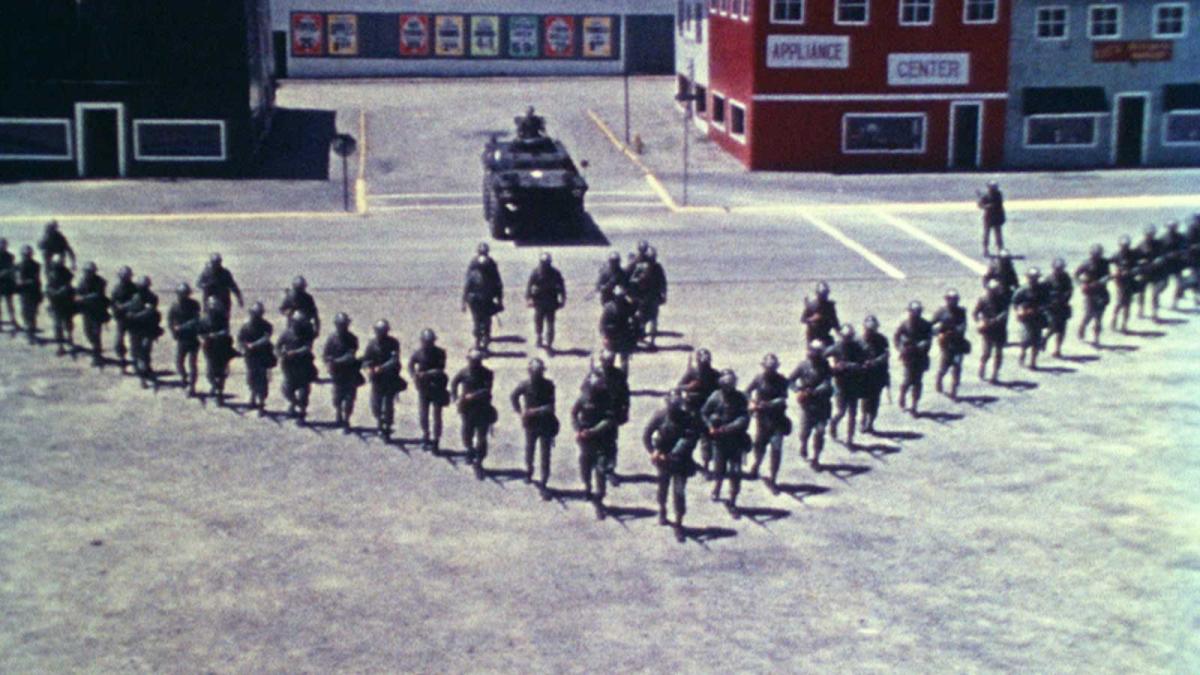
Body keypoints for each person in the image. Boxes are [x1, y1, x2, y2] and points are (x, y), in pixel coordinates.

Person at [643, 390, 701, 542]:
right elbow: (646, 435)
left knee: (679, 492)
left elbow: (690, 439)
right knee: (662, 488)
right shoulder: (660, 415)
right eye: (671, 404)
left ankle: (678, 523)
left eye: (677, 405)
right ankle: (662, 509)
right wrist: (653, 452)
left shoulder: (688, 418)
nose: (673, 408)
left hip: (681, 461)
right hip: (662, 461)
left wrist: (673, 454)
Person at [702, 369, 751, 517]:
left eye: (732, 384)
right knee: (719, 470)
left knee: (736, 472)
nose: (729, 388)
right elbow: (704, 413)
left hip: (736, 441)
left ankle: (732, 500)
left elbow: (744, 419)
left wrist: (727, 429)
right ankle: (717, 487)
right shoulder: (715, 397)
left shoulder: (741, 398)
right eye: (726, 385)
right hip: (719, 443)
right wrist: (710, 426)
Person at [510, 357, 558, 497]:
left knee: (545, 455)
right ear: (530, 372)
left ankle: (543, 482)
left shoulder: (549, 385)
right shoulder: (524, 385)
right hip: (530, 424)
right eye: (534, 372)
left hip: (545, 423)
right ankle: (529, 472)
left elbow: (550, 406)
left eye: (539, 372)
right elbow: (513, 397)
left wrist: (533, 411)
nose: (537, 375)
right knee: (529, 449)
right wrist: (520, 412)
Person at [745, 353, 791, 493]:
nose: (770, 370)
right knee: (759, 446)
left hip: (777, 420)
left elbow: (782, 398)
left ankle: (773, 478)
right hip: (762, 420)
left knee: (776, 449)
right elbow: (747, 392)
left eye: (773, 367)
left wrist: (768, 404)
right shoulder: (758, 379)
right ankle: (756, 465)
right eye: (768, 367)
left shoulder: (782, 380)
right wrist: (752, 403)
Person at [572, 370, 614, 519]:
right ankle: (587, 487)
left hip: (601, 439)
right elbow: (574, 414)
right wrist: (578, 429)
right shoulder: (583, 398)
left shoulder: (607, 398)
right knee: (585, 465)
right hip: (585, 440)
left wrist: (594, 431)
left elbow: (609, 420)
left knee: (601, 469)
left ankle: (599, 499)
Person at [451, 348, 496, 479]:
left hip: (482, 409)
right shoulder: (464, 372)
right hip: (467, 409)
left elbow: (487, 390)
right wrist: (455, 397)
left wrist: (473, 396)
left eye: (476, 361)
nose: (474, 363)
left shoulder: (487, 373)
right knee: (466, 433)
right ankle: (469, 450)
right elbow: (454, 383)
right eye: (472, 361)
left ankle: (479, 462)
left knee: (482, 437)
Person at [790, 340, 834, 470]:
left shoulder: (825, 366)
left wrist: (815, 391)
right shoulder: (803, 365)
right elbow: (790, 380)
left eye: (816, 353)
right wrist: (798, 390)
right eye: (812, 352)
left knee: (820, 432)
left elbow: (827, 383)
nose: (813, 355)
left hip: (822, 403)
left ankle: (816, 458)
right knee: (804, 431)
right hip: (807, 404)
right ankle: (803, 444)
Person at [677, 347, 720, 474]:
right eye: (702, 363)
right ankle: (686, 460)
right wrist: (689, 387)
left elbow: (720, 392)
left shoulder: (715, 375)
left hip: (707, 410)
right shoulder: (691, 373)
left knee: (707, 439)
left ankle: (706, 465)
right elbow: (678, 387)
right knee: (690, 437)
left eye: (706, 363)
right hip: (692, 409)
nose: (704, 365)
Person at [362, 320, 406, 439]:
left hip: (389, 378)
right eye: (379, 331)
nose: (381, 334)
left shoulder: (393, 343)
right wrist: (368, 369)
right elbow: (365, 360)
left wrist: (381, 368)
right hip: (377, 380)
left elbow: (394, 360)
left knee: (388, 405)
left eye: (383, 331)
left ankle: (386, 427)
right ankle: (379, 422)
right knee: (375, 405)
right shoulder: (372, 344)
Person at [593, 349, 630, 485]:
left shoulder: (619, 375)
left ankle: (609, 469)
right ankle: (597, 466)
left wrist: (625, 411)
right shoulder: (594, 374)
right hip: (596, 414)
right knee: (596, 442)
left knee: (611, 443)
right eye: (606, 362)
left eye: (611, 362)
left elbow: (625, 394)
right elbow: (585, 394)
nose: (608, 364)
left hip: (612, 414)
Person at [409, 328, 449, 451]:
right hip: (423, 389)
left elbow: (440, 370)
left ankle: (436, 440)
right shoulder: (418, 353)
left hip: (437, 388)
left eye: (430, 342)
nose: (428, 344)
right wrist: (414, 375)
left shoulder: (440, 353)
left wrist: (426, 374)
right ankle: (425, 435)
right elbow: (410, 365)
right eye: (426, 342)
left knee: (437, 416)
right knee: (423, 415)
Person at [826, 323, 866, 446]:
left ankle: (850, 438)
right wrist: (834, 368)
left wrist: (856, 366)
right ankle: (833, 424)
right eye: (845, 336)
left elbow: (864, 363)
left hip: (854, 383)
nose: (847, 339)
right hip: (841, 384)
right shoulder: (836, 347)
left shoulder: (857, 348)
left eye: (849, 337)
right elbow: (821, 358)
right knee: (841, 411)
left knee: (853, 413)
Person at [323, 312, 363, 432]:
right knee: (337, 398)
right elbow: (325, 354)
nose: (343, 327)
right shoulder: (331, 338)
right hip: (337, 374)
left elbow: (350, 356)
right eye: (341, 325)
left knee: (350, 399)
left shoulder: (352, 339)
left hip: (350, 373)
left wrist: (335, 361)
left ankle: (346, 420)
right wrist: (328, 362)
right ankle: (338, 414)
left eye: (345, 324)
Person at [276, 310, 318, 423]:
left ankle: (302, 413)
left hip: (303, 365)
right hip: (289, 366)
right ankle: (294, 403)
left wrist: (294, 353)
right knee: (286, 389)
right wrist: (280, 353)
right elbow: (278, 346)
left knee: (304, 392)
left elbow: (307, 347)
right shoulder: (286, 333)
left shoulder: (307, 333)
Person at [894, 301, 933, 416]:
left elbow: (929, 338)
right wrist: (901, 348)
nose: (916, 314)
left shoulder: (926, 324)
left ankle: (914, 405)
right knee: (907, 381)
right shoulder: (904, 324)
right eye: (914, 312)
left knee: (917, 382)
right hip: (908, 356)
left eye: (918, 312)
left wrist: (924, 344)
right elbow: (896, 337)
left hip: (921, 356)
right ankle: (902, 397)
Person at [462, 243, 504, 350]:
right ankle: (483, 339)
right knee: (485, 320)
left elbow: (467, 286)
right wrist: (499, 300)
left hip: (476, 300)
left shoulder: (474, 268)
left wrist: (464, 301)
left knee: (478, 320)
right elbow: (498, 285)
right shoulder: (490, 266)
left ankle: (479, 341)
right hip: (483, 300)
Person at [237, 302, 275, 415]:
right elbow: (240, 339)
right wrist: (243, 347)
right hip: (250, 357)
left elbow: (266, 339)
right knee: (251, 378)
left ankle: (261, 404)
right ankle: (252, 398)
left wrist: (253, 345)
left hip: (263, 356)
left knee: (262, 380)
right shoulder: (246, 326)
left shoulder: (267, 326)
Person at [931, 290, 971, 400]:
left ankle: (954, 388)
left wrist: (955, 331)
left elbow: (963, 326)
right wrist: (939, 333)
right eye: (950, 299)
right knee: (944, 366)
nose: (952, 302)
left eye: (955, 300)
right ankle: (939, 379)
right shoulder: (941, 311)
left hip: (958, 343)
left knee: (957, 366)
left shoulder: (961, 311)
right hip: (946, 344)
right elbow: (930, 326)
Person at [124, 276, 162, 389]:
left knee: (144, 352)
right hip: (135, 330)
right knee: (136, 352)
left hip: (147, 330)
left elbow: (151, 312)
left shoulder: (152, 298)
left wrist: (135, 316)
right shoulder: (134, 297)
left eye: (144, 287)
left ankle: (143, 376)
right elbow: (128, 310)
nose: (142, 289)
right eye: (140, 287)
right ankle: (142, 372)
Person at [199, 296, 238, 404]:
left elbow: (226, 331)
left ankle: (219, 393)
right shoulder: (204, 319)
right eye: (211, 305)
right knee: (210, 372)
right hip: (209, 348)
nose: (213, 307)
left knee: (221, 372)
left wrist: (216, 335)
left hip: (222, 347)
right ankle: (215, 386)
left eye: (215, 305)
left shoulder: (223, 318)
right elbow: (200, 332)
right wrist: (205, 337)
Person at [525, 252, 566, 352]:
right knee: (538, 320)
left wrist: (563, 298)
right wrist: (529, 298)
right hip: (539, 301)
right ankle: (539, 336)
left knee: (550, 323)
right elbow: (529, 286)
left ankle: (549, 342)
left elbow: (561, 286)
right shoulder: (536, 272)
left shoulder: (555, 273)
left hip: (551, 300)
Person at [168, 283, 203, 396]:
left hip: (192, 338)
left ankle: (192, 386)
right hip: (182, 339)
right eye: (180, 294)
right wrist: (173, 332)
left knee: (192, 364)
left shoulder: (194, 305)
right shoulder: (174, 306)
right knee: (179, 362)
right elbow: (170, 321)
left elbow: (196, 320)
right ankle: (184, 377)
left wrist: (182, 327)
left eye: (184, 294)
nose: (181, 296)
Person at [629, 246, 668, 347]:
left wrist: (663, 294)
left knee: (651, 319)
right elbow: (633, 280)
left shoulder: (656, 267)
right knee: (645, 319)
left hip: (651, 297)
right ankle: (643, 337)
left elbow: (663, 282)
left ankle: (650, 340)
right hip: (645, 297)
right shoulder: (643, 267)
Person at [858, 315, 890, 434]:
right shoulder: (858, 341)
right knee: (865, 400)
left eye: (873, 330)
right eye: (868, 330)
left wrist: (875, 362)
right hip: (864, 376)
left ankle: (870, 422)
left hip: (877, 375)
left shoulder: (882, 339)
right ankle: (863, 420)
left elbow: (886, 355)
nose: (870, 332)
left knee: (875, 401)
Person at [1012, 268, 1049, 370]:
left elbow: (1047, 302)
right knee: (1025, 340)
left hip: (1037, 317)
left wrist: (1040, 309)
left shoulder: (1042, 290)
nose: (1033, 280)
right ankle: (1022, 356)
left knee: (1036, 341)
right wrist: (1020, 311)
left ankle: (1033, 362)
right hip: (1026, 318)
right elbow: (1015, 302)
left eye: (1035, 278)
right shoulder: (1022, 290)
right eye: (1031, 278)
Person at [75, 262, 110, 366]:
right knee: (87, 332)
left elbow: (98, 295)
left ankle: (97, 355)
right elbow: (78, 292)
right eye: (86, 272)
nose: (87, 274)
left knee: (96, 334)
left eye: (89, 272)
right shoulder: (82, 281)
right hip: (87, 312)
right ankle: (96, 349)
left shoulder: (100, 282)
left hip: (97, 312)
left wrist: (84, 298)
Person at [974, 279, 1009, 383]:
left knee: (998, 353)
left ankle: (995, 374)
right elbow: (975, 313)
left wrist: (998, 319)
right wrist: (980, 321)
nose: (995, 292)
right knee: (986, 353)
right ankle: (982, 366)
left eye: (996, 290)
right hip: (988, 330)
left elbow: (1005, 312)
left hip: (999, 329)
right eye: (993, 290)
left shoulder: (1003, 299)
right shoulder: (983, 299)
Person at [1075, 245, 1110, 346]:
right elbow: (1076, 275)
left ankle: (1096, 337)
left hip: (1101, 292)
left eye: (1098, 254)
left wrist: (1101, 282)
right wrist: (1081, 284)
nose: (1097, 256)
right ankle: (1082, 327)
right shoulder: (1086, 263)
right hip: (1089, 293)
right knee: (1088, 314)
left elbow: (1108, 275)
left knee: (1099, 317)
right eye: (1095, 255)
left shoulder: (1104, 263)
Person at [598, 285, 638, 372]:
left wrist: (604, 336)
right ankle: (623, 380)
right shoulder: (627, 306)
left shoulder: (608, 307)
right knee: (624, 360)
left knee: (609, 359)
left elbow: (602, 324)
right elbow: (635, 318)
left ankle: (609, 377)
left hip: (611, 337)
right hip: (624, 336)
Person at [44, 254, 76, 355]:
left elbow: (69, 285)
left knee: (67, 322)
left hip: (66, 302)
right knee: (57, 325)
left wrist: (66, 290)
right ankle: (60, 346)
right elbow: (48, 288)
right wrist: (55, 292)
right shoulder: (51, 273)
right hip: (56, 303)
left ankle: (69, 336)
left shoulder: (66, 272)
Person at [1043, 258, 1074, 358]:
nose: (1059, 270)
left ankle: (1057, 349)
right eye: (1057, 269)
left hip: (1062, 306)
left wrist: (1065, 298)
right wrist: (1050, 301)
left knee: (1062, 330)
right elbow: (1043, 293)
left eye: (1061, 268)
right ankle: (1044, 339)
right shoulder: (1048, 279)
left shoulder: (1066, 278)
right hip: (1051, 307)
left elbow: (1069, 290)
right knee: (1052, 326)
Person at [1135, 225, 1166, 321]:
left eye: (1151, 234)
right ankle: (1140, 309)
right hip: (1145, 272)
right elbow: (1135, 258)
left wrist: (1160, 259)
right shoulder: (1140, 245)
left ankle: (1154, 312)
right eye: (1148, 234)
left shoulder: (1159, 244)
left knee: (1155, 294)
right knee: (1141, 292)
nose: (1149, 236)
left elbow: (1164, 255)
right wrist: (1140, 262)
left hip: (1156, 272)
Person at [109, 266, 137, 371]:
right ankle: (122, 358)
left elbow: (137, 301)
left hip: (132, 318)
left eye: (127, 277)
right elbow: (112, 303)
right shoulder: (116, 289)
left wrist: (126, 307)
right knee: (118, 341)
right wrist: (116, 311)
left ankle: (135, 359)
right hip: (121, 319)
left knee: (134, 341)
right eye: (124, 277)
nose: (125, 278)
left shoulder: (134, 288)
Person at [1110, 235, 1139, 333]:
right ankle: (1114, 319)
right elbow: (1108, 264)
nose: (1124, 248)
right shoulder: (1116, 255)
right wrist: (1115, 273)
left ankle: (1124, 324)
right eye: (1123, 246)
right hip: (1120, 282)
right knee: (1119, 302)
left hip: (1130, 281)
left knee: (1127, 304)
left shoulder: (1133, 254)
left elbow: (1139, 266)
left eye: (1126, 246)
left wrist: (1132, 271)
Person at [14, 246, 42, 344]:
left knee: (31, 314)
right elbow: (18, 280)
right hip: (24, 293)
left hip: (32, 292)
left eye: (28, 254)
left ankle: (31, 334)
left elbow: (37, 280)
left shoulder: (36, 265)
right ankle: (30, 334)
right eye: (25, 255)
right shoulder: (19, 266)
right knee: (26, 314)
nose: (26, 256)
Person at [801, 281, 840, 345]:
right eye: (822, 295)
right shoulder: (811, 305)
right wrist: (812, 319)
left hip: (825, 335)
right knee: (813, 352)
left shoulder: (830, 306)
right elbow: (803, 319)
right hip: (813, 337)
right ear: (817, 294)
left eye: (825, 294)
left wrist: (840, 332)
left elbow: (835, 321)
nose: (824, 296)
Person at [977, 181, 1006, 256]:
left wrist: (987, 206)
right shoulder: (986, 196)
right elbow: (980, 205)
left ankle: (1000, 248)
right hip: (988, 218)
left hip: (996, 217)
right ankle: (985, 249)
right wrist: (983, 205)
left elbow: (996, 204)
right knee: (986, 234)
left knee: (998, 234)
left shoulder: (998, 195)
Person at [0, 239, 17, 330]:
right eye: (1, 245)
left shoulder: (10, 256)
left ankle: (13, 320)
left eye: (4, 244)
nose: (3, 246)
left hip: (7, 282)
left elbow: (12, 268)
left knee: (10, 303)